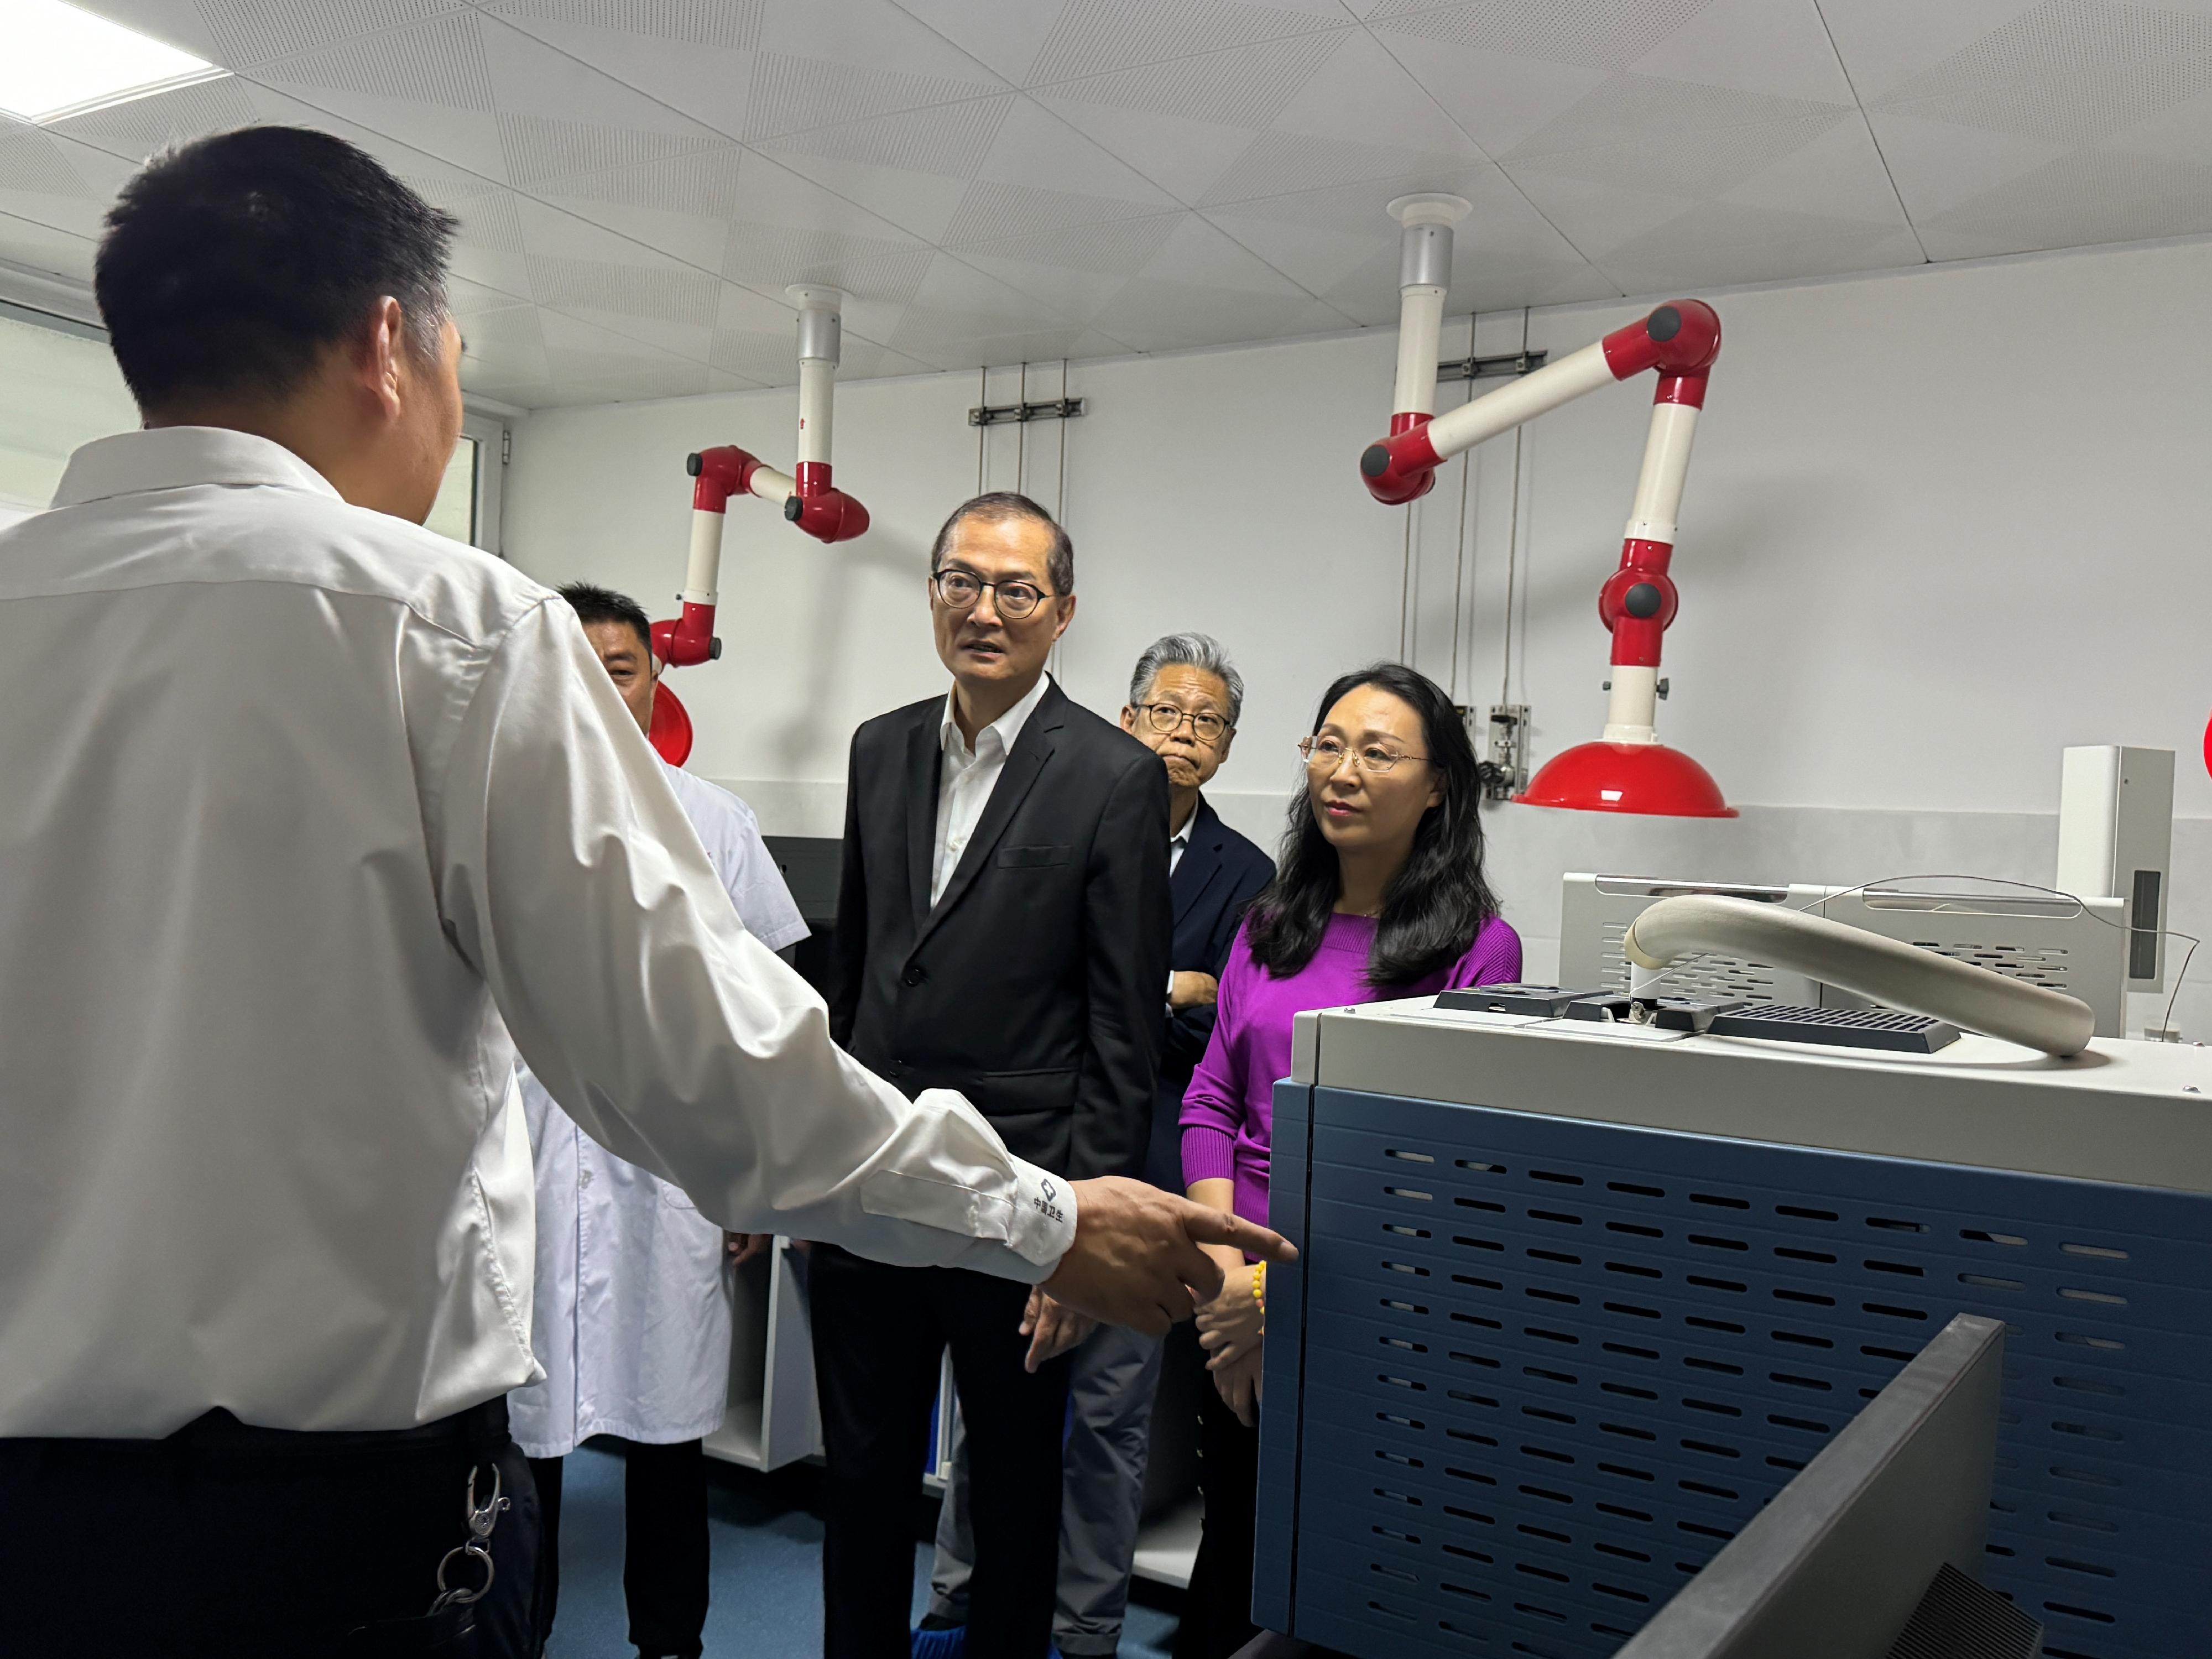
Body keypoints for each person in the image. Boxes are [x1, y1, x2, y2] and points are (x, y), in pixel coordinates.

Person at [0, 128, 1287, 1658]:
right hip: (337, 1537)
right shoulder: (442, 625)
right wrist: (1036, 1219)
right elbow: (704, 1055)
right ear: (391, 345)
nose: (983, 607)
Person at [813, 492, 1174, 1659]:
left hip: (1018, 1195)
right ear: (929, 593)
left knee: (1013, 1495)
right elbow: (859, 979)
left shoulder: (1113, 777)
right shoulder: (878, 747)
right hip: (872, 1181)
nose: (984, 610)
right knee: (859, 1480)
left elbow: (1121, 1028)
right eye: (959, 581)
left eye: (1016, 590)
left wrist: (1076, 1233)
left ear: (1061, 613)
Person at [921, 632, 1274, 1659]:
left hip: (1151, 1167)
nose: (1183, 732)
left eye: (1207, 720)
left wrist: (1142, 996)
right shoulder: (1051, 821)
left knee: (1111, 1420)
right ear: (1125, 721)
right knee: (995, 1399)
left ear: (1229, 745)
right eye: (1165, 711)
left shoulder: (1247, 876)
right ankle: (958, 1603)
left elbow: (1219, 1030)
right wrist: (1168, 984)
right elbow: (1024, 989)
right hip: (1024, 1155)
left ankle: (1085, 1633)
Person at [1175, 663, 1522, 1659]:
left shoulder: (1477, 953)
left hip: (1370, 1313)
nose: (1344, 770)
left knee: (1335, 1583)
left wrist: (1274, 1302)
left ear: (1438, 787)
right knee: (1233, 1552)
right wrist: (1230, 1278)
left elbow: (1448, 1175)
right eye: (1329, 744)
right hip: (1230, 1292)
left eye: (1378, 752)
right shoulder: (1268, 924)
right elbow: (1209, 1102)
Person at [513, 582, 809, 1659]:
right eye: (578, 664)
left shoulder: (715, 825)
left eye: (623, 666)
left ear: (655, 683)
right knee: (522, 1442)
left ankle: (669, 1644)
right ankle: (519, 1634)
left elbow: (767, 1021)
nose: (600, 685)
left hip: (672, 1176)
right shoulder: (494, 814)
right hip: (529, 1172)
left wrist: (753, 1178)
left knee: (669, 1435)